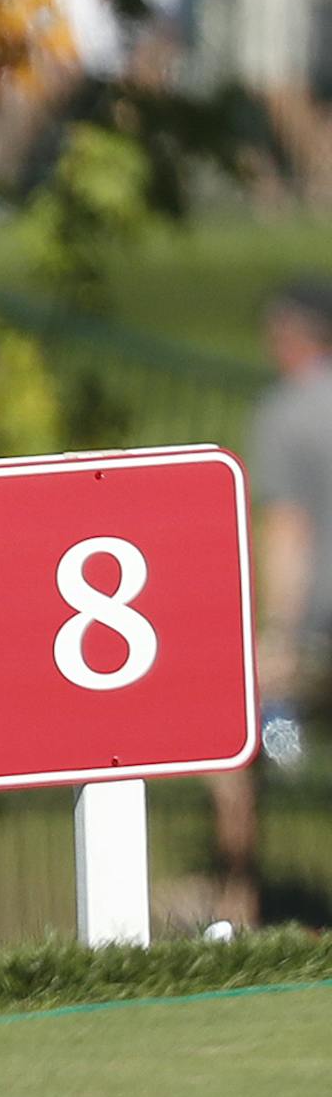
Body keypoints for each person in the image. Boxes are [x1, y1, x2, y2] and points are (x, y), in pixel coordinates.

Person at [208, 279, 332, 931]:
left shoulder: (288, 413)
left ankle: (239, 901)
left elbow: (289, 533)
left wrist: (278, 632)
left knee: (224, 736)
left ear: (290, 336)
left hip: (317, 628)